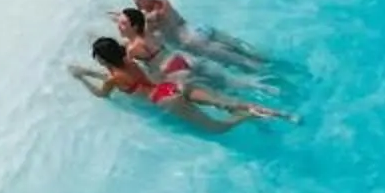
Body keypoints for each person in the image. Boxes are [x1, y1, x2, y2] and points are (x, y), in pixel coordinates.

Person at [71, 36, 291, 130]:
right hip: (170, 86)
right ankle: (281, 114)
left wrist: (82, 78)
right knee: (225, 102)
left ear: (104, 60)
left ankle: (248, 116)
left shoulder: (114, 78)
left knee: (216, 127)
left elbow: (102, 94)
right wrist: (89, 71)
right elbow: (124, 80)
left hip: (164, 99)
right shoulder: (129, 61)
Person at [131, 0, 267, 71]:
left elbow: (151, 25)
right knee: (242, 48)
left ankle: (271, 74)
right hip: (200, 29)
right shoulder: (163, 2)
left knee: (241, 62)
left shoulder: (150, 18)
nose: (136, 1)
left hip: (194, 42)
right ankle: (267, 60)